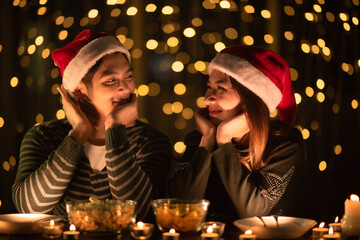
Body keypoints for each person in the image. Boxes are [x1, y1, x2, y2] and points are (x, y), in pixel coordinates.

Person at [12, 30, 172, 221]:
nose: (126, 88)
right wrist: (79, 133)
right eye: (111, 80)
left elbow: (141, 213)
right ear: (79, 90)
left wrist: (114, 129)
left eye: (128, 77)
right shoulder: (44, 136)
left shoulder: (150, 141)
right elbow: (30, 208)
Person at [167, 45, 307, 223]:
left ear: (252, 98)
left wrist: (224, 141)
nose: (207, 99)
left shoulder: (285, 143)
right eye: (209, 87)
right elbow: (178, 210)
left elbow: (253, 213)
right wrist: (208, 141)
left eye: (221, 88)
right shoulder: (202, 139)